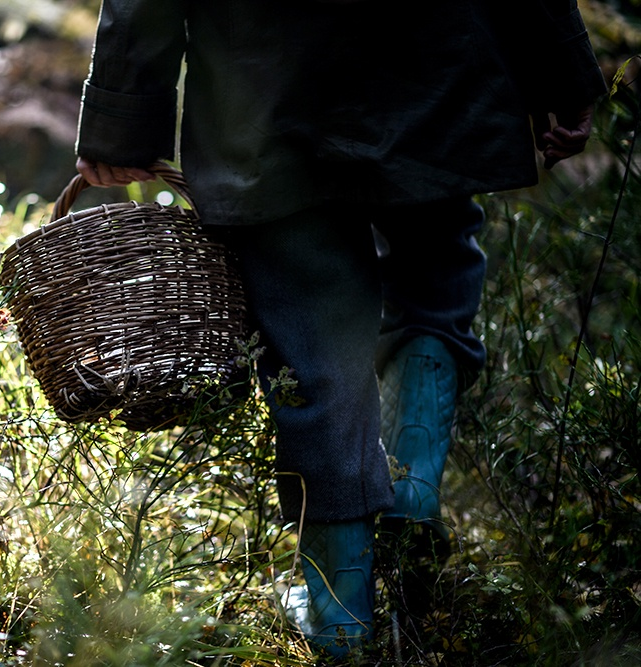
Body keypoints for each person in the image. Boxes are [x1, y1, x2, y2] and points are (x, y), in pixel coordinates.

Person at [72, 0, 606, 658]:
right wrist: (566, 75)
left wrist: (120, 123)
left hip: (266, 92)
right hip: (437, 68)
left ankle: (340, 617)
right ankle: (412, 483)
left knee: (311, 340)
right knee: (436, 280)